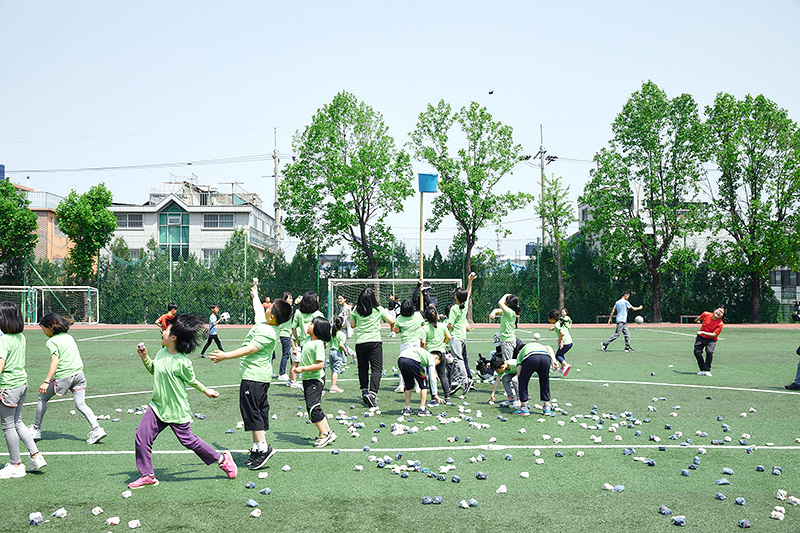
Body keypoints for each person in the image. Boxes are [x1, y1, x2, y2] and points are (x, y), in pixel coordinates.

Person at [129, 314, 237, 489]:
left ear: (174, 338)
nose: (163, 331)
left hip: (176, 410)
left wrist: (206, 390)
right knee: (141, 437)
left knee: (189, 441)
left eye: (167, 330)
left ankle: (222, 459)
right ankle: (148, 475)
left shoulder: (182, 362)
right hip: (157, 407)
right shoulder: (162, 352)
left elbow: (192, 381)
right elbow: (155, 370)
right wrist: (145, 358)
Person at [209, 286, 292, 470]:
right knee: (256, 411)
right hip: (258, 378)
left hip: (254, 377)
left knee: (253, 412)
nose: (265, 308)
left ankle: (263, 448)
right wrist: (255, 296)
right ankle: (256, 448)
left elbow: (249, 349)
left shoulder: (267, 332)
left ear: (271, 316)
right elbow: (257, 311)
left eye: (269, 308)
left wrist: (225, 355)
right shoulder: (269, 324)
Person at [29, 313, 106, 445]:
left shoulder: (51, 341)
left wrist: (46, 381)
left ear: (50, 327)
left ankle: (36, 429)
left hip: (64, 377)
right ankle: (97, 429)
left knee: (42, 397)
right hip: (79, 375)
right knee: (81, 404)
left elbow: (55, 362)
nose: (43, 331)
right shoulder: (69, 337)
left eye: (43, 328)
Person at [0, 302, 46, 479]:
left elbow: (1, 364)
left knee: (8, 425)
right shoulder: (21, 337)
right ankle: (35, 455)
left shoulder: (3, 340)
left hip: (8, 386)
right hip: (22, 384)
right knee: (18, 421)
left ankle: (16, 464)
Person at [295, 317, 337, 447]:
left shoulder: (318, 344)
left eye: (312, 324)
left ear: (317, 329)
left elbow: (320, 364)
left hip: (315, 379)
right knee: (314, 406)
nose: (309, 325)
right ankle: (328, 431)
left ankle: (324, 433)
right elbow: (302, 327)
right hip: (308, 379)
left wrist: (302, 368)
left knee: (312, 408)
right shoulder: (309, 340)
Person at [351, 287, 395, 408]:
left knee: (363, 368)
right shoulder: (378, 309)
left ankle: (364, 391)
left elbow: (352, 325)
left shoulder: (356, 309)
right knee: (376, 369)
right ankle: (372, 393)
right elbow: (391, 321)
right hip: (375, 341)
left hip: (360, 341)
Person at [447, 272, 478, 395]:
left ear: (456, 297)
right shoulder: (464, 305)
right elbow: (468, 294)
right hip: (463, 337)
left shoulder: (454, 308)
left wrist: (442, 332)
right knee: (455, 360)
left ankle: (466, 380)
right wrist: (470, 281)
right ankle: (454, 383)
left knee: (458, 359)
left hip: (455, 337)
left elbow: (450, 325)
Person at [288, 291, 323, 389]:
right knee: (317, 365)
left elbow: (293, 328)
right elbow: (323, 329)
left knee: (306, 364)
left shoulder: (299, 313)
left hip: (304, 343)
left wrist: (298, 339)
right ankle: (315, 385)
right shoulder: (318, 314)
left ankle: (307, 385)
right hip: (316, 343)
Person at [513, 341, 558, 416]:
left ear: (519, 351)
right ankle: (547, 407)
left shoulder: (520, 353)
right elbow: (549, 347)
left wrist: (519, 379)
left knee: (523, 381)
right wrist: (554, 360)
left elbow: (519, 370)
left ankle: (524, 408)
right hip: (545, 358)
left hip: (531, 358)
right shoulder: (539, 345)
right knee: (545, 381)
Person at [392, 298, 425, 393]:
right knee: (418, 365)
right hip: (416, 343)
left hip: (405, 344)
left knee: (402, 366)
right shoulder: (418, 316)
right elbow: (423, 325)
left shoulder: (399, 318)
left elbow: (396, 330)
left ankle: (401, 385)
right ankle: (418, 386)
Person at [423, 305, 451, 405]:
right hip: (441, 353)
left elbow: (423, 342)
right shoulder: (442, 326)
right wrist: (443, 342)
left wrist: (423, 349)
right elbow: (449, 337)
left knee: (431, 376)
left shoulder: (425, 328)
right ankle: (447, 397)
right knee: (442, 375)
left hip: (431, 354)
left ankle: (433, 398)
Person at [397, 345, 433, 417]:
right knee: (424, 383)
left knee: (408, 385)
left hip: (400, 359)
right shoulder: (431, 357)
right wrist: (435, 394)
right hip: (411, 360)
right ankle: (422, 409)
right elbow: (432, 377)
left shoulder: (422, 353)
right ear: (436, 357)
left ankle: (407, 408)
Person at [693, 306, 725, 377]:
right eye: (718, 310)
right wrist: (697, 320)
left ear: (722, 316)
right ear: (715, 310)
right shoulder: (706, 314)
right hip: (701, 338)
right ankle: (702, 369)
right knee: (697, 352)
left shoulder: (720, 324)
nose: (719, 312)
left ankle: (707, 370)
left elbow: (714, 335)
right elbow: (699, 318)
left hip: (711, 339)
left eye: (721, 312)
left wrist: (703, 332)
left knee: (709, 352)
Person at [490, 294, 521, 363]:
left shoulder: (509, 312)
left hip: (507, 340)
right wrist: (493, 313)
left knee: (507, 362)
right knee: (507, 361)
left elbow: (500, 303)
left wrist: (506, 295)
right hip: (506, 340)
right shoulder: (508, 312)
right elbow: (497, 310)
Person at [548, 308, 573, 376]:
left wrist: (559, 340)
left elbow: (562, 333)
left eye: (549, 319)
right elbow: (560, 327)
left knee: (558, 355)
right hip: (570, 342)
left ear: (553, 319)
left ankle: (566, 365)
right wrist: (552, 328)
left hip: (565, 342)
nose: (549, 320)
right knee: (561, 354)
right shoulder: (561, 321)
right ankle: (562, 368)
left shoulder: (557, 324)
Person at [276, 292, 294, 381]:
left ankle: (293, 372)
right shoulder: (285, 309)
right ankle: (282, 373)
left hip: (288, 334)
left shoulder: (286, 309)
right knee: (286, 354)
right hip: (285, 334)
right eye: (290, 298)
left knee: (291, 354)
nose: (292, 300)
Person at [328, 316, 347, 393]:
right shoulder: (342, 334)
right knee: (336, 370)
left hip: (331, 352)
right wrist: (345, 352)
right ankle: (333, 386)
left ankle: (333, 384)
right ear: (342, 325)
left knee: (333, 370)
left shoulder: (332, 332)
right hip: (337, 353)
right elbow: (341, 345)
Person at [336, 294, 357, 362]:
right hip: (341, 328)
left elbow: (350, 316)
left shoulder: (347, 307)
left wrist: (349, 309)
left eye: (341, 298)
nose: (339, 300)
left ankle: (343, 361)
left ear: (345, 299)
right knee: (342, 344)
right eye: (338, 298)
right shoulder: (342, 307)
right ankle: (352, 353)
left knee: (342, 344)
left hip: (346, 329)